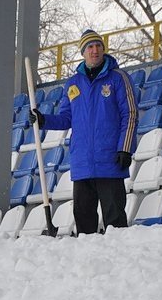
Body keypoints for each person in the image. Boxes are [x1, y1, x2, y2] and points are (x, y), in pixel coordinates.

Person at [30, 28, 137, 234]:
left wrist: (125, 148)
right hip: (82, 165)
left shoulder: (118, 78)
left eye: (98, 46)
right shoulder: (72, 84)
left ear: (104, 50)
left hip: (110, 162)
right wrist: (43, 120)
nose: (94, 51)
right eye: (90, 47)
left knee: (115, 223)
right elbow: (66, 118)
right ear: (83, 52)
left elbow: (130, 114)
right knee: (84, 224)